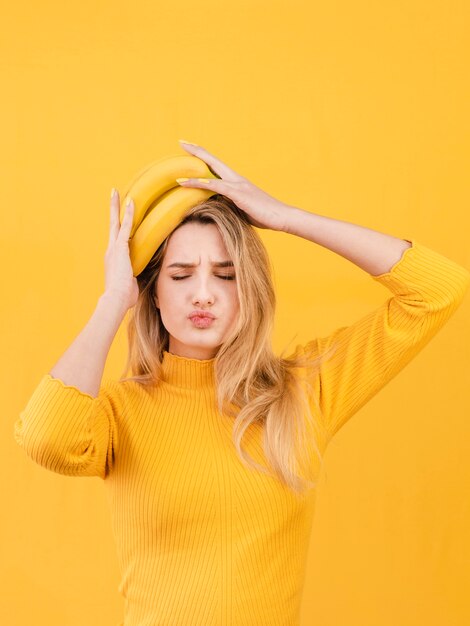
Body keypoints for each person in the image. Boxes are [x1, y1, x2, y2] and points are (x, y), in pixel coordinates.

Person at [13, 141, 470, 626]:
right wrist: (112, 300)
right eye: (181, 274)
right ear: (153, 294)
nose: (204, 294)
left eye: (226, 275)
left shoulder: (302, 392)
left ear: (249, 288)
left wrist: (286, 217)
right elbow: (46, 438)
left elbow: (437, 290)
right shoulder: (121, 412)